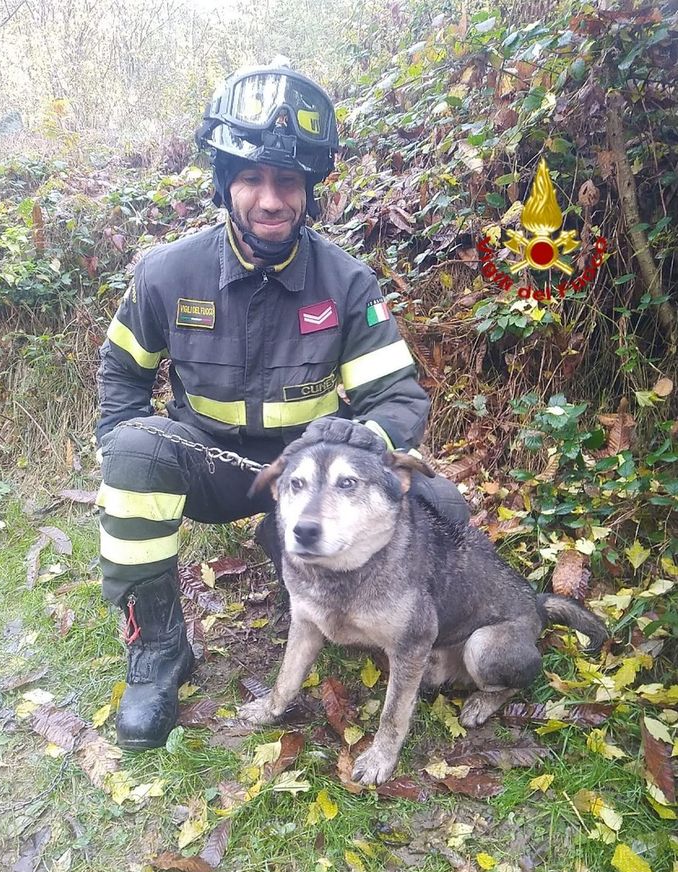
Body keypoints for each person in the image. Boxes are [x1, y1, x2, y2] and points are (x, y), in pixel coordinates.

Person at [95, 63, 469, 751]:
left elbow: (397, 394)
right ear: (223, 183)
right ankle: (158, 652)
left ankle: (380, 606)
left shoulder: (346, 283)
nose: (270, 199)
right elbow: (121, 373)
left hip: (308, 482)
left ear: (310, 192)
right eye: (251, 178)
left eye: (288, 182)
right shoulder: (166, 274)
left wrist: (361, 435)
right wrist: (122, 460)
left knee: (441, 498)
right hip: (209, 468)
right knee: (134, 449)